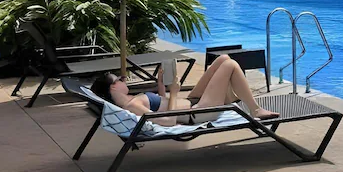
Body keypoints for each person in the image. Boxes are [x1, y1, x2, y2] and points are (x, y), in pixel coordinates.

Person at [91, 54, 279, 124]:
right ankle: (255, 109)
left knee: (223, 59)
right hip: (196, 113)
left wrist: (161, 85)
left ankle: (230, 98)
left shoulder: (133, 99)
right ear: (113, 87)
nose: (124, 79)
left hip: (191, 102)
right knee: (230, 65)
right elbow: (168, 121)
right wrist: (174, 92)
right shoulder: (132, 106)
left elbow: (162, 106)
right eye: (120, 79)